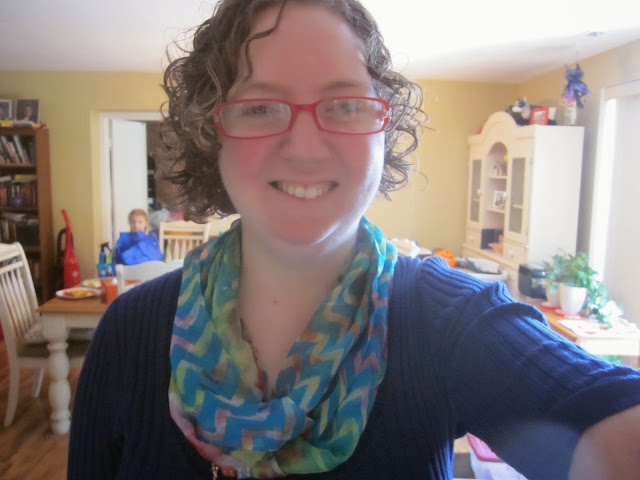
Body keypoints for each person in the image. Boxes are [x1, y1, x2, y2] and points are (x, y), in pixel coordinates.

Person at [68, 0, 640, 478]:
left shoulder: (451, 323)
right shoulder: (128, 334)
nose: (306, 148)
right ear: (211, 134)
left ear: (384, 129)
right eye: (260, 106)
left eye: (344, 104)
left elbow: (606, 419)